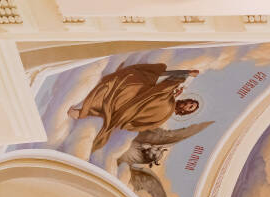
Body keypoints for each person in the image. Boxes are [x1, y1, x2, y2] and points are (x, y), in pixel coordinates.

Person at [68, 63, 201, 153]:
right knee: (134, 79)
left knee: (126, 90)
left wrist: (172, 87)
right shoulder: (176, 95)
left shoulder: (167, 109)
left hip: (136, 107)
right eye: (190, 102)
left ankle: (86, 111)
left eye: (190, 107)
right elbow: (168, 80)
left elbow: (146, 120)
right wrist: (186, 75)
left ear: (184, 111)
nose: (188, 105)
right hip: (145, 92)